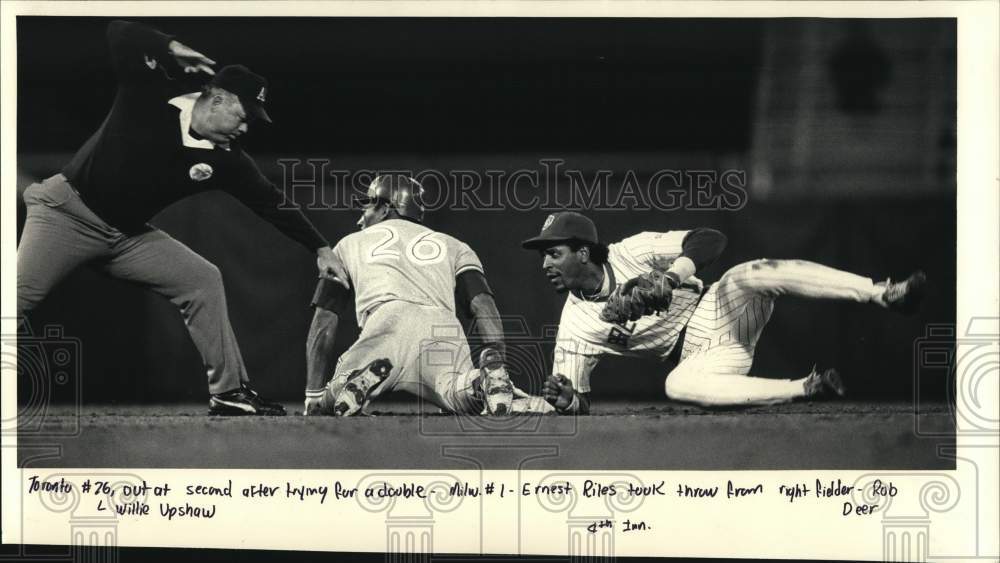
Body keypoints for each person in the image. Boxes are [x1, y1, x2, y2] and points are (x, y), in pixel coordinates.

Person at [16, 20, 346, 416]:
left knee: (202, 278)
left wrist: (320, 247)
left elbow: (271, 202)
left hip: (125, 237)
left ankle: (228, 393)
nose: (246, 127)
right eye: (244, 115)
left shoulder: (228, 160)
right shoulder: (149, 93)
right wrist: (169, 46)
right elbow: (119, 33)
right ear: (218, 98)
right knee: (14, 299)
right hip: (65, 213)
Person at [522, 212, 926, 414]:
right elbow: (581, 401)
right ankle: (805, 387)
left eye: (553, 253)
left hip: (720, 306)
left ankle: (882, 294)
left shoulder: (634, 250)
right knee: (676, 386)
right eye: (544, 256)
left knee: (747, 273)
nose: (545, 265)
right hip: (702, 358)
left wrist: (674, 276)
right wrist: (568, 399)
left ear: (583, 251)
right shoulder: (574, 325)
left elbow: (710, 239)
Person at [302, 175, 552, 416]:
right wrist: (497, 357)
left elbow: (324, 319)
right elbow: (484, 306)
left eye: (366, 207)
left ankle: (353, 382)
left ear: (387, 206)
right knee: (461, 394)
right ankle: (483, 381)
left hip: (387, 320)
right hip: (441, 324)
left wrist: (313, 394)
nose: (360, 219)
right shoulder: (455, 245)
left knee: (329, 399)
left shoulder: (348, 243)